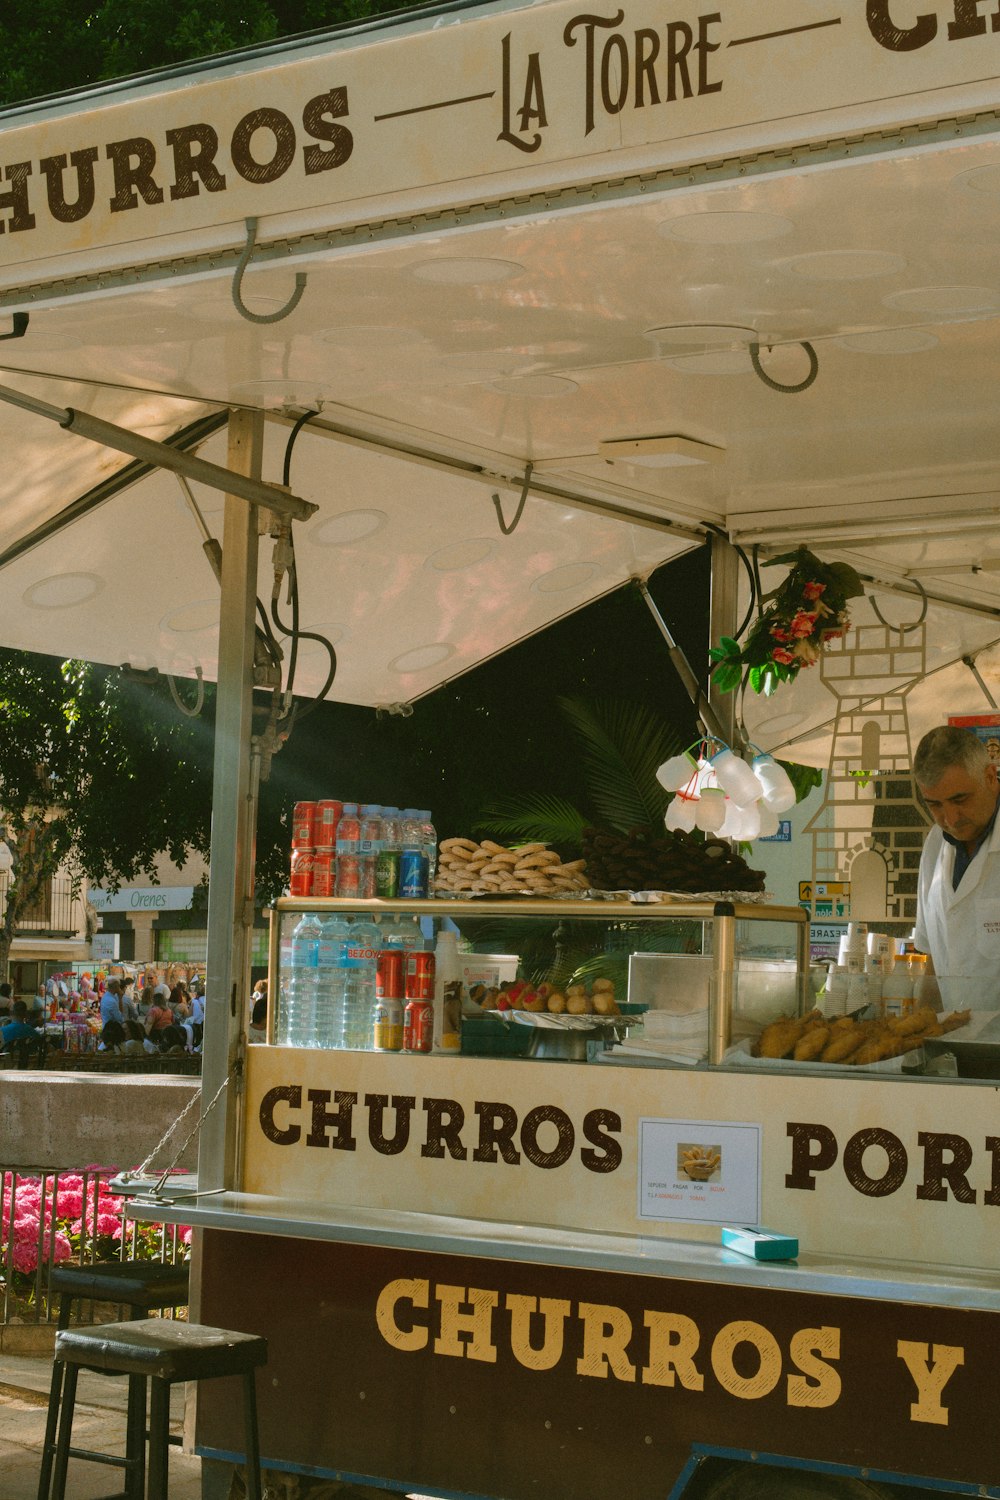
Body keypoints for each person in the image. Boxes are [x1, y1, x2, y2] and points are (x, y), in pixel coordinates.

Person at [913, 725, 1000, 1006]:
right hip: (955, 1039)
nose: (950, 818)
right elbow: (934, 963)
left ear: (990, 777)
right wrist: (923, 1033)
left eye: (960, 800)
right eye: (934, 804)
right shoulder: (935, 844)